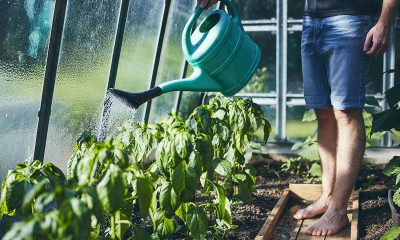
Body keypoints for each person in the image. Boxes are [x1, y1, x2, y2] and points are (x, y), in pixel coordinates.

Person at [197, 0, 399, 236]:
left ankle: (338, 211)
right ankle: (327, 196)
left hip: (351, 18)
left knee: (345, 111)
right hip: (312, 20)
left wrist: (385, 20)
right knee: (323, 112)